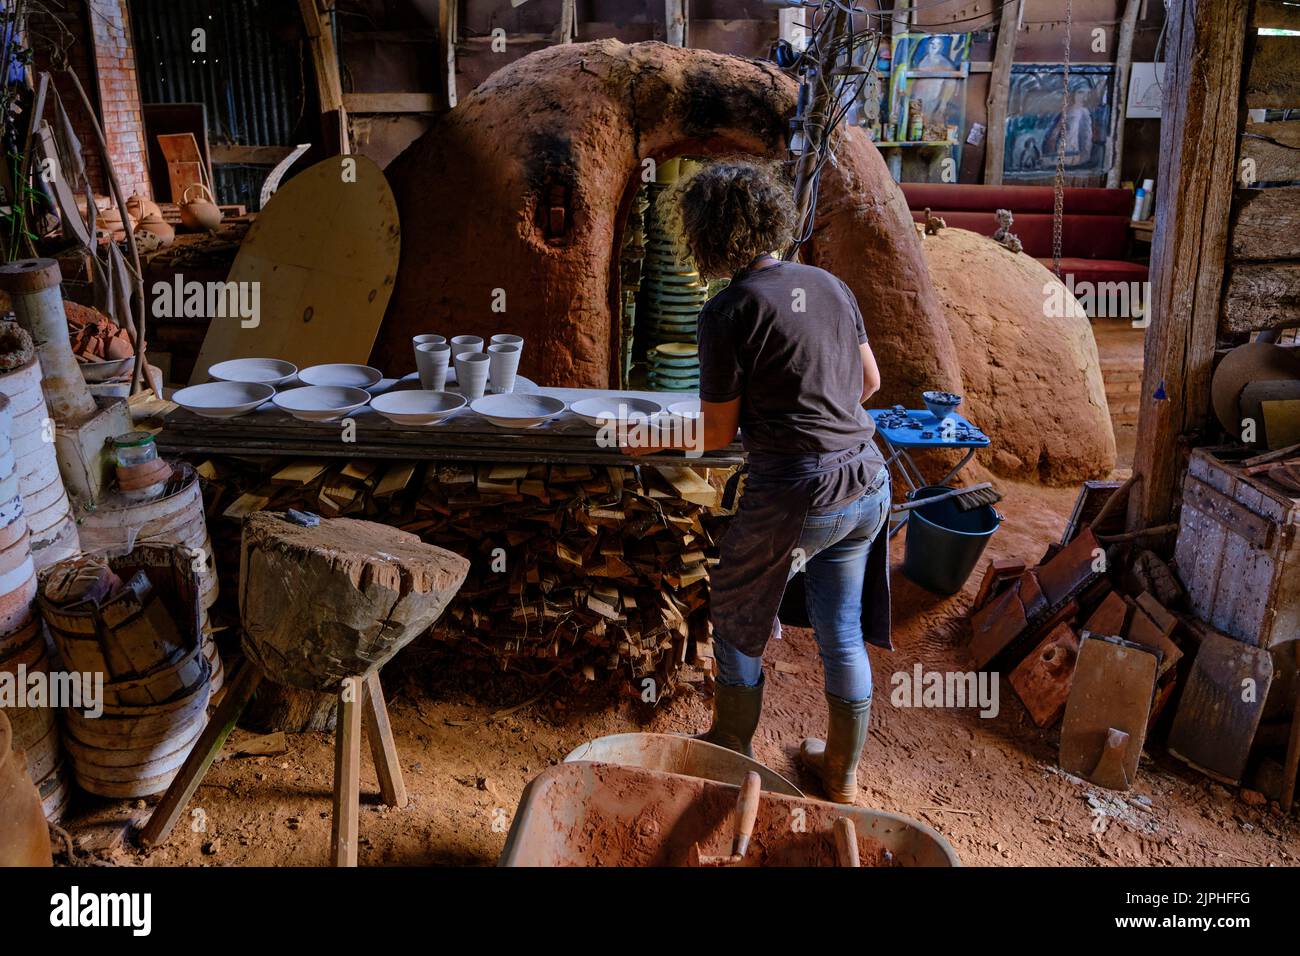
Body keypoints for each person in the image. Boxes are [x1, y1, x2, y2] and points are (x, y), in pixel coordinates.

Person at [626, 160, 893, 804]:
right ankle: (842, 773)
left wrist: (644, 439)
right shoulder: (828, 285)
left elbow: (716, 434)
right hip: (868, 482)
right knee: (842, 626)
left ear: (707, 236)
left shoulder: (728, 310)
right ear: (771, 220)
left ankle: (729, 745)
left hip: (801, 495)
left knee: (737, 608)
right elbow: (869, 384)